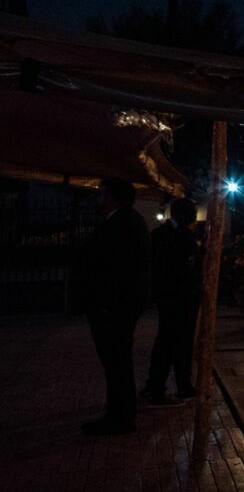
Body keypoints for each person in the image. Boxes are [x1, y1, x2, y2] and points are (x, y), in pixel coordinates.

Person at [74, 178, 151, 434]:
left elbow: (117, 269)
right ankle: (120, 413)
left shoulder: (122, 225)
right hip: (118, 306)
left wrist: (106, 304)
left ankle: (119, 416)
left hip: (114, 308)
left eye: (102, 195)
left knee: (116, 362)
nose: (98, 200)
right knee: (117, 362)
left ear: (112, 198)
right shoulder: (128, 222)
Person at [145, 197, 201, 404]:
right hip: (180, 297)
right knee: (179, 342)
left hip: (168, 297)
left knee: (166, 341)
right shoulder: (182, 236)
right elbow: (189, 267)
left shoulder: (162, 233)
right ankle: (179, 385)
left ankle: (156, 385)